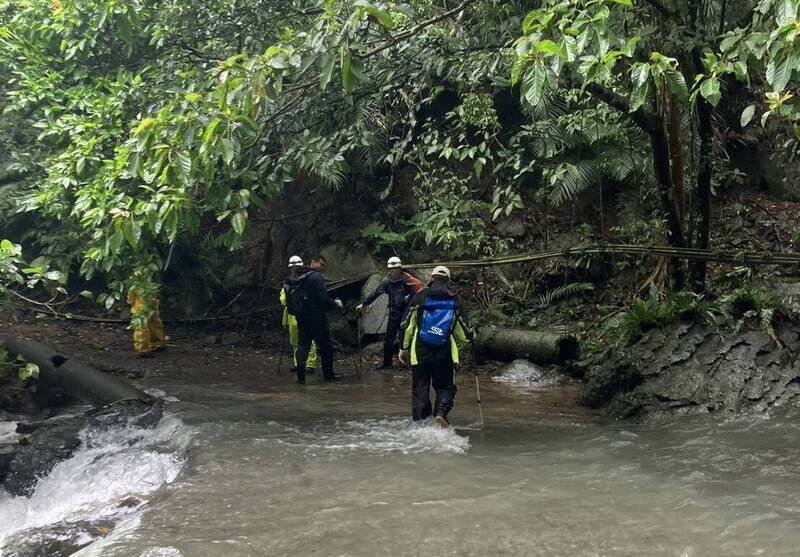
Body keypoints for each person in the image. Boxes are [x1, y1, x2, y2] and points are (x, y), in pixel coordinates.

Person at [399, 266, 471, 427]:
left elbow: (407, 325)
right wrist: (469, 339)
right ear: (447, 281)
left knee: (420, 387)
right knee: (445, 385)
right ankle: (441, 414)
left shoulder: (420, 297)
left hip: (420, 350)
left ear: (431, 279)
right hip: (444, 351)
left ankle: (420, 425)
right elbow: (464, 334)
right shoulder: (454, 300)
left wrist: (403, 348)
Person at [356, 256, 422, 369]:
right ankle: (387, 364)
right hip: (394, 313)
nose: (394, 271)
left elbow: (420, 291)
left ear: (400, 268)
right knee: (388, 340)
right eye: (391, 269)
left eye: (396, 269)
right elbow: (375, 293)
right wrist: (364, 304)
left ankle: (408, 362)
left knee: (406, 339)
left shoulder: (408, 280)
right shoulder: (387, 282)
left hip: (407, 314)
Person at [286, 257, 343, 384]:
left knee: (302, 346)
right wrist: (335, 304)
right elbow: (323, 298)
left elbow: (290, 305)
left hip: (301, 318)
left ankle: (301, 378)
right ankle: (328, 376)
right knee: (326, 347)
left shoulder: (291, 281)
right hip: (317, 318)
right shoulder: (315, 277)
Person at [280, 255, 317, 374]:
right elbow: (283, 299)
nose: (294, 268)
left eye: (296, 266)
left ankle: (310, 364)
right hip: (292, 315)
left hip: (306, 314)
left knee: (308, 340)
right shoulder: (288, 281)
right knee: (295, 341)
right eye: (293, 267)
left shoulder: (308, 278)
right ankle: (299, 364)